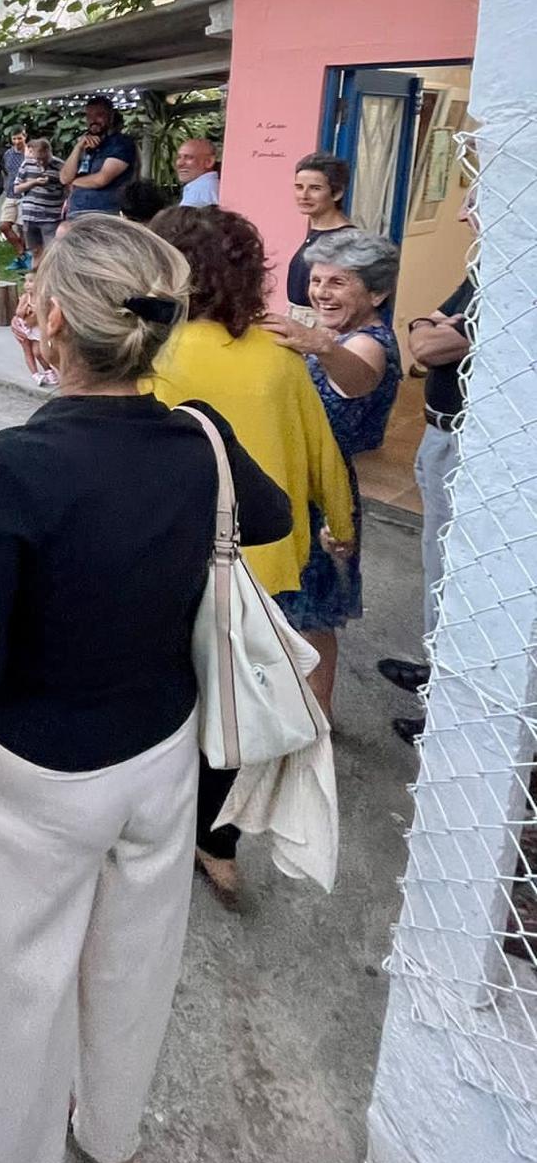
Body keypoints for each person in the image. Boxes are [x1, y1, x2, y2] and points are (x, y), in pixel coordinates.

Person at [0, 218, 291, 1163]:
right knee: (135, 962)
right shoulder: (200, 436)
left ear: (46, 323)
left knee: (7, 995)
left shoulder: (14, 463)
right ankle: (112, 1131)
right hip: (160, 754)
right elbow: (258, 517)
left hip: (30, 773)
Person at [148, 206, 355, 905]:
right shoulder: (280, 357)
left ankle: (153, 831)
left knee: (172, 698)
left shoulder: (153, 353)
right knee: (233, 708)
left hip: (169, 564)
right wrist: (344, 526)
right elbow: (325, 457)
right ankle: (218, 842)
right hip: (261, 564)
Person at [262, 228, 403, 718]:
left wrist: (318, 345)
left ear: (377, 292)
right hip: (300, 481)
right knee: (291, 607)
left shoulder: (370, 345)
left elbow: (358, 377)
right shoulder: (342, 335)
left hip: (326, 492)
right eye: (318, 281)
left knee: (312, 616)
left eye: (338, 283)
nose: (321, 292)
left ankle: (316, 721)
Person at [379, 199, 477, 744]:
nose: (464, 213)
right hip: (440, 431)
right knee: (439, 560)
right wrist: (433, 328)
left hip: (466, 440)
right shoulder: (483, 267)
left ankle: (453, 712)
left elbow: (430, 341)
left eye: (475, 200)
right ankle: (441, 672)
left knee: (461, 568)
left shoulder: (512, 273)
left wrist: (433, 329)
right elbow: (423, 337)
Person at [285, 154, 354, 321]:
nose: (304, 195)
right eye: (299, 187)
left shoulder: (345, 240)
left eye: (315, 188)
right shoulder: (316, 232)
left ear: (337, 193)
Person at [59, 95, 138, 217]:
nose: (93, 120)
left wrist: (73, 181)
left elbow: (101, 179)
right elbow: (64, 177)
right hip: (75, 212)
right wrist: (78, 148)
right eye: (89, 116)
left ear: (111, 117)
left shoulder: (121, 143)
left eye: (99, 115)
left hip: (104, 213)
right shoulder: (85, 144)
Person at [13, 133, 66, 257]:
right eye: (38, 159)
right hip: (30, 217)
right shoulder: (27, 164)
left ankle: (50, 276)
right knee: (35, 252)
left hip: (50, 217)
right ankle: (35, 275)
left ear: (49, 152)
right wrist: (34, 182)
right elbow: (16, 189)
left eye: (44, 159)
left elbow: (68, 188)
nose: (41, 162)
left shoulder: (60, 166)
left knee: (52, 253)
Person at [0, 129, 29, 271]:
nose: (17, 141)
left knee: (23, 229)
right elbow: (7, 171)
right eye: (14, 138)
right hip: (10, 194)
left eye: (19, 138)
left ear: (25, 137)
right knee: (4, 226)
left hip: (25, 195)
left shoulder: (29, 153)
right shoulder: (8, 154)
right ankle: (22, 252)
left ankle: (23, 258)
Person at [175, 138, 221, 207]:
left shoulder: (199, 190)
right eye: (179, 157)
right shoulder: (213, 185)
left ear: (209, 162)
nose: (179, 163)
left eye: (189, 157)